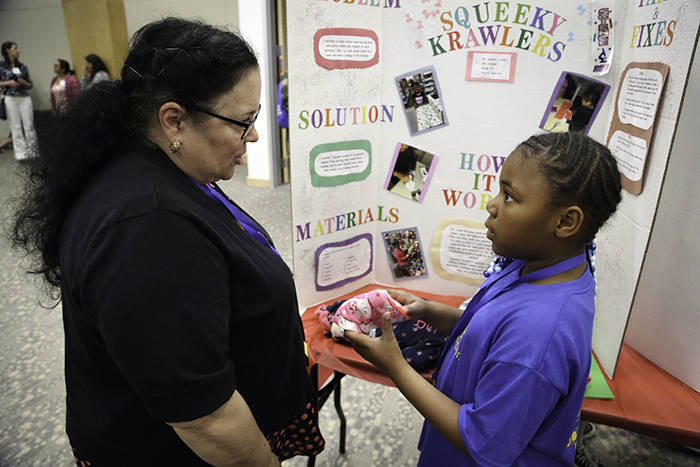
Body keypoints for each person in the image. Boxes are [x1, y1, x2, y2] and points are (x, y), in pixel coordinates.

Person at [10, 18, 323, 466]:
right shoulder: (148, 228)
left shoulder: (155, 165)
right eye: (243, 121)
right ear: (174, 120)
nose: (254, 135)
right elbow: (203, 417)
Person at [346, 132, 622, 467]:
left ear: (565, 222)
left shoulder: (540, 332)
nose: (491, 205)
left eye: (509, 196)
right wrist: (430, 311)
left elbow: (482, 442)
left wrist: (396, 367)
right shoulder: (534, 263)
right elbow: (489, 329)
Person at [0, 41, 37, 160]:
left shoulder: (22, 66)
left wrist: (24, 83)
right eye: (15, 48)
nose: (18, 50)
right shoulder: (1, 66)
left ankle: (33, 151)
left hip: (24, 97)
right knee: (15, 126)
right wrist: (8, 83)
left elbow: (30, 84)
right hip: (10, 98)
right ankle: (21, 154)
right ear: (7, 50)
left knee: (29, 124)